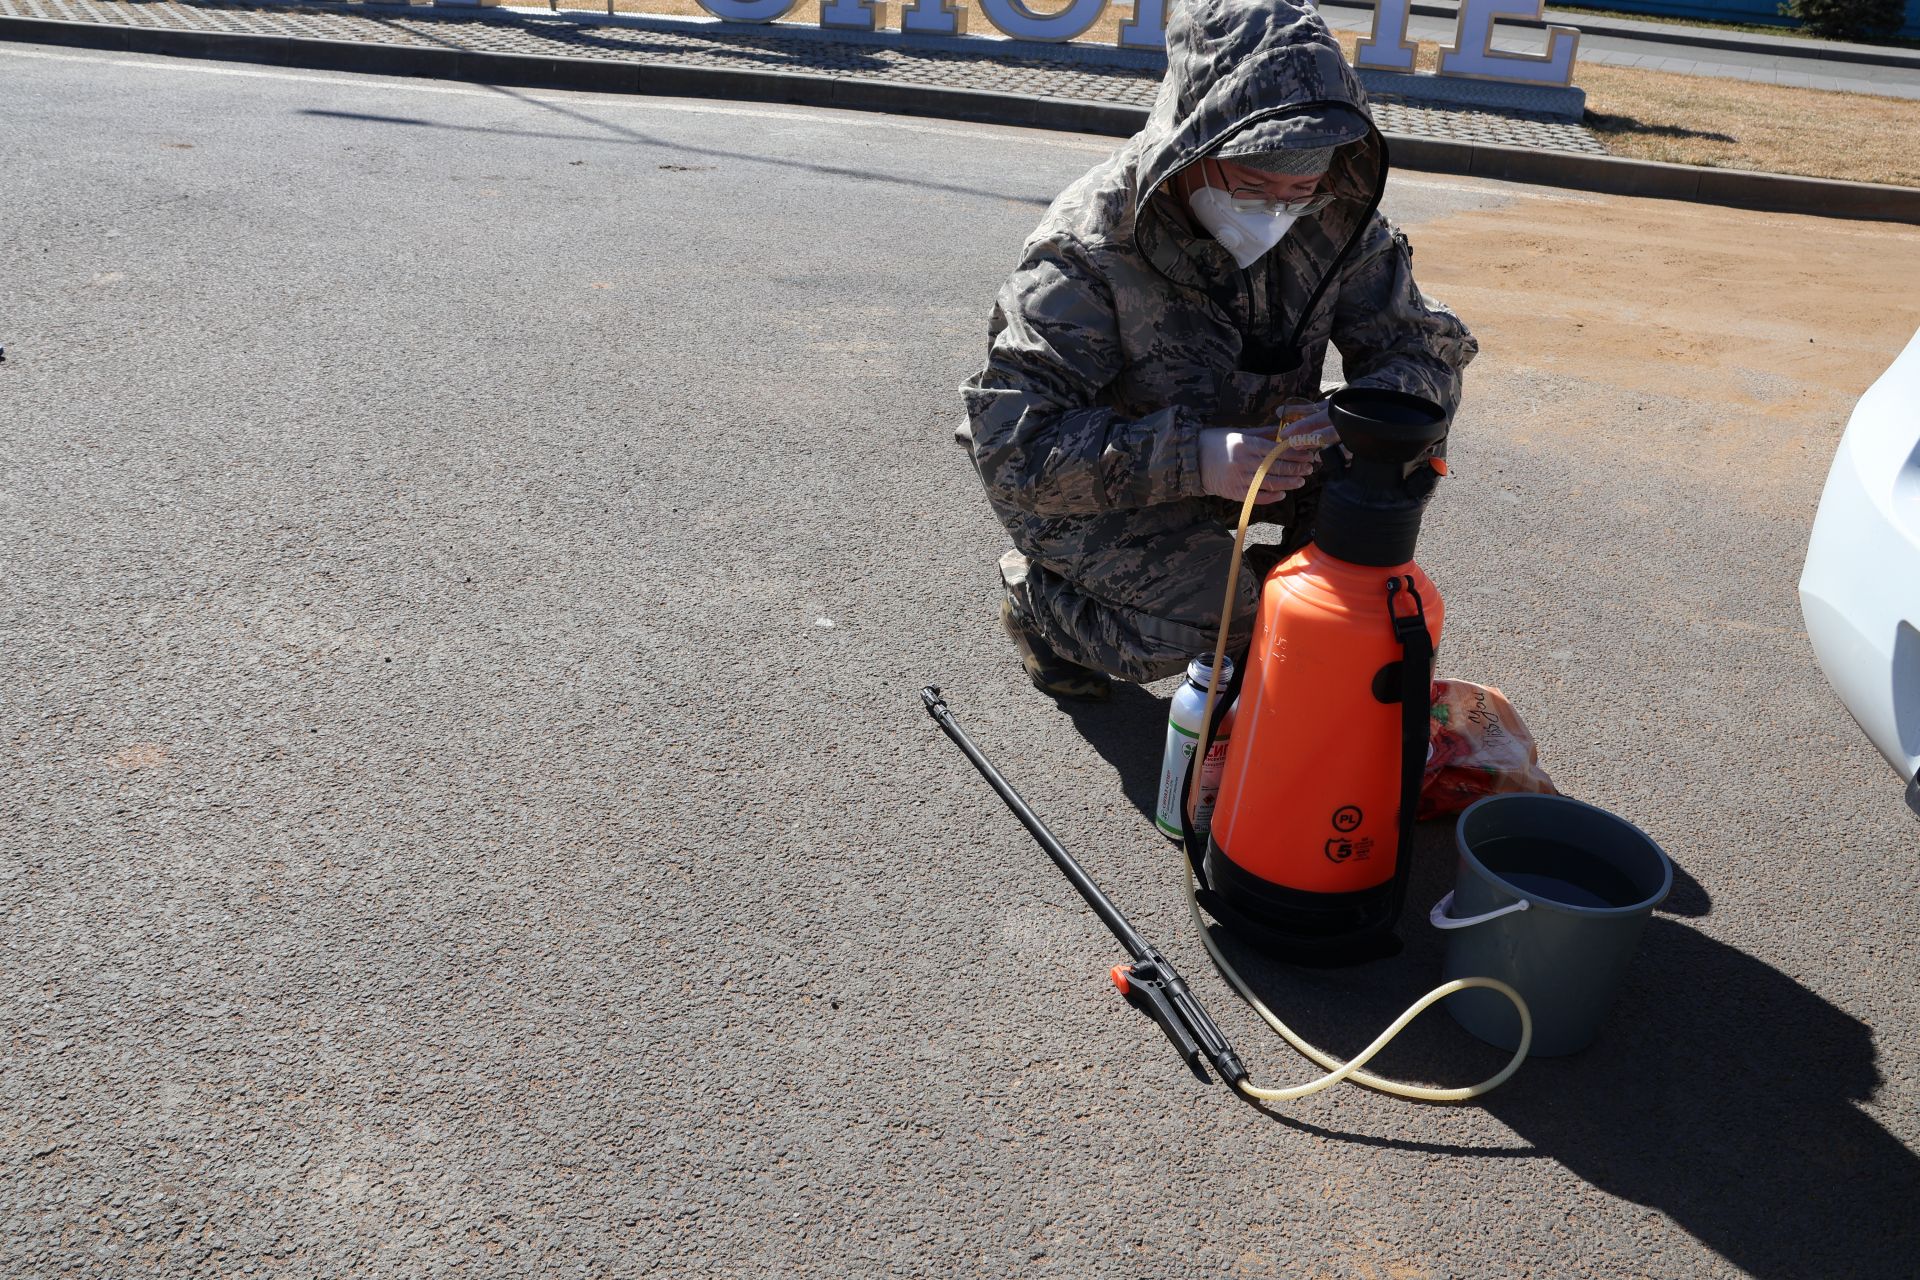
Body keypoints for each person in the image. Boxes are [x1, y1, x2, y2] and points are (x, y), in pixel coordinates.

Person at [958, 0, 1477, 701]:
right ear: (1193, 145)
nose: (1278, 212)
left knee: (1382, 494)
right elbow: (1014, 451)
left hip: (1266, 458)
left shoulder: (1336, 217)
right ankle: (1042, 610)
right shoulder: (1086, 249)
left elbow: (1424, 349)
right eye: (1254, 187)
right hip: (1103, 489)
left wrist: (1362, 416)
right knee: (1222, 614)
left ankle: (1278, 651)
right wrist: (1196, 458)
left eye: (1300, 189)